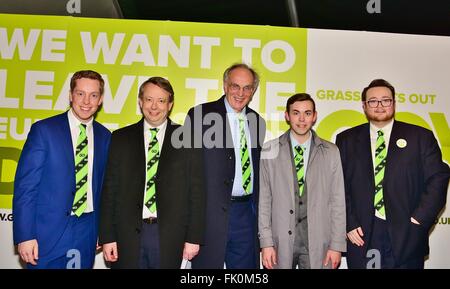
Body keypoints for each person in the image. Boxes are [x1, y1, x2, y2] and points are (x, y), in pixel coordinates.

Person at [335, 79, 450, 269]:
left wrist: (419, 219)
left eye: (385, 100)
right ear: (364, 106)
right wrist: (349, 222)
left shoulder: (420, 137)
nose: (379, 106)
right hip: (362, 235)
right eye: (373, 101)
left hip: (407, 234)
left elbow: (438, 177)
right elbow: (338, 185)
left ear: (394, 104)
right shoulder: (346, 140)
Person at [99, 77, 205, 269]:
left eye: (161, 101)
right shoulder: (121, 138)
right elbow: (109, 191)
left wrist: (193, 238)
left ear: (170, 104)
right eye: (149, 99)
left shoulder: (188, 139)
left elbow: (197, 193)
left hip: (170, 238)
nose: (154, 106)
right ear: (140, 102)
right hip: (127, 238)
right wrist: (107, 236)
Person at [13, 70, 111, 269]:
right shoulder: (44, 130)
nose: (86, 101)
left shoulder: (105, 136)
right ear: (70, 95)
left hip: (87, 230)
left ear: (100, 99)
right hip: (46, 234)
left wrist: (103, 230)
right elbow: (26, 187)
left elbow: (104, 189)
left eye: (93, 95)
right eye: (80, 93)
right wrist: (25, 235)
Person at [185, 63, 266, 269]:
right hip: (209, 217)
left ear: (253, 91)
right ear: (224, 85)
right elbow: (188, 174)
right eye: (235, 86)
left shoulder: (257, 121)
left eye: (247, 88)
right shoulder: (199, 115)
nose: (241, 93)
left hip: (246, 217)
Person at [258, 93, 346, 269]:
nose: (302, 119)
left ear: (314, 116)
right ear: (287, 116)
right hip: (280, 240)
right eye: (296, 113)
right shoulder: (270, 150)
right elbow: (264, 201)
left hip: (319, 239)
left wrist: (336, 245)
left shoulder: (331, 152)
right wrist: (266, 243)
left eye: (307, 113)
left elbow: (337, 201)